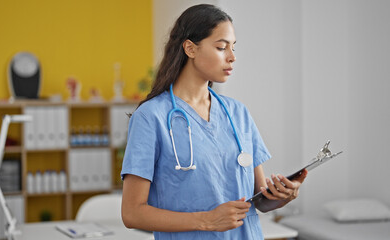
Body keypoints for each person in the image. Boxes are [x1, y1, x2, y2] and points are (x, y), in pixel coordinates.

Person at [120, 4, 307, 239]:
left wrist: (282, 197)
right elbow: (132, 213)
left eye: (233, 48)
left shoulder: (238, 113)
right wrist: (207, 220)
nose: (232, 57)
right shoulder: (150, 117)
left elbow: (258, 200)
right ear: (190, 48)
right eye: (221, 47)